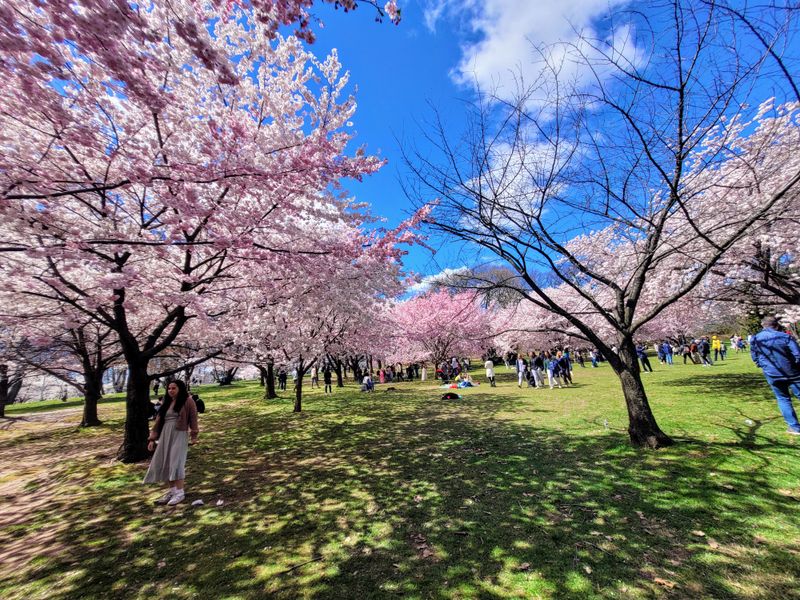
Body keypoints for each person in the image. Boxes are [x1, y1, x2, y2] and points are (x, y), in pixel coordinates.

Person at [144, 380, 199, 506]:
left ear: (180, 388)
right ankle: (172, 491)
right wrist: (152, 438)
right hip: (165, 434)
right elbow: (158, 422)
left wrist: (194, 435)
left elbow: (193, 418)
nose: (171, 390)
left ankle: (180, 492)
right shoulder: (166, 402)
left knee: (176, 462)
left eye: (174, 388)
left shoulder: (187, 400)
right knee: (167, 461)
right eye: (169, 388)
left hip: (179, 433)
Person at [750, 316, 800, 435]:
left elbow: (754, 356)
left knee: (783, 399)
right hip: (792, 372)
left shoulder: (756, 339)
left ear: (763, 326)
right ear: (776, 325)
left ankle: (794, 427)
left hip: (772, 373)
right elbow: (798, 354)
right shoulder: (785, 337)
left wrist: (762, 365)